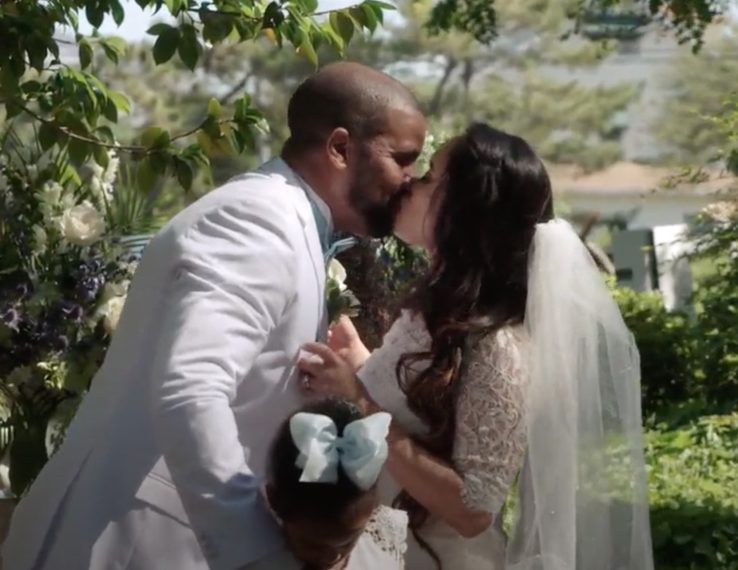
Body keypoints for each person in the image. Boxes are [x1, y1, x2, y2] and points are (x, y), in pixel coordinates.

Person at [2, 62, 426, 570]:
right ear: (340, 148)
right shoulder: (256, 221)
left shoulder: (290, 221)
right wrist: (258, 551)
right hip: (135, 543)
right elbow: (191, 390)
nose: (410, 180)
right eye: (403, 160)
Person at [299, 123, 654, 570]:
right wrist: (359, 360)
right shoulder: (439, 314)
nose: (410, 182)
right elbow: (424, 408)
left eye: (429, 177)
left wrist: (359, 400)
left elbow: (473, 510)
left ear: (466, 209)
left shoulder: (499, 346)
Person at [247, 397, 407, 570]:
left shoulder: (383, 542)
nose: (333, 556)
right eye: (313, 545)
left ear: (374, 504)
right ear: (273, 500)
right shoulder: (251, 560)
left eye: (349, 540)